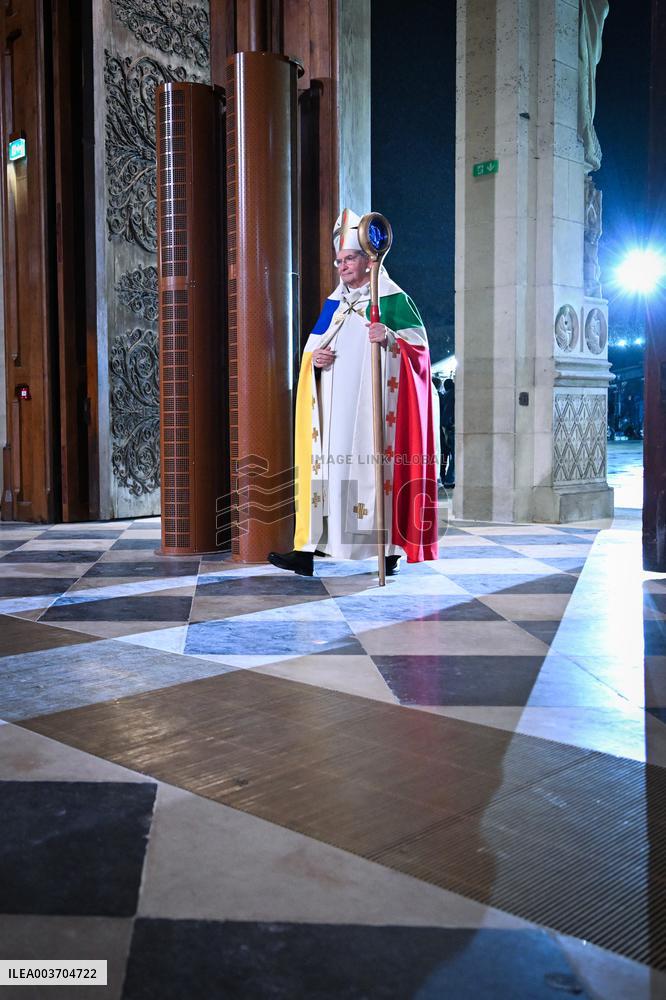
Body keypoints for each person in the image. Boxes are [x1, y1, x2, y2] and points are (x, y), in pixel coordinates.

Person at [268, 208, 438, 578]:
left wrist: (391, 340)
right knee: (327, 474)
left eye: (348, 259)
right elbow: (311, 353)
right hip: (330, 414)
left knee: (371, 472)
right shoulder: (334, 304)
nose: (341, 266)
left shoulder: (391, 299)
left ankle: (387, 550)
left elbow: (421, 354)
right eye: (339, 260)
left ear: (366, 261)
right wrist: (316, 360)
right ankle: (309, 548)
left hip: (375, 412)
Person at [440, 378, 455, 487]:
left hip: (448, 429)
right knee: (455, 456)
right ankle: (449, 479)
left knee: (449, 455)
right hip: (452, 429)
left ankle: (447, 477)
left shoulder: (445, 395)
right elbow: (447, 415)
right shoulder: (453, 395)